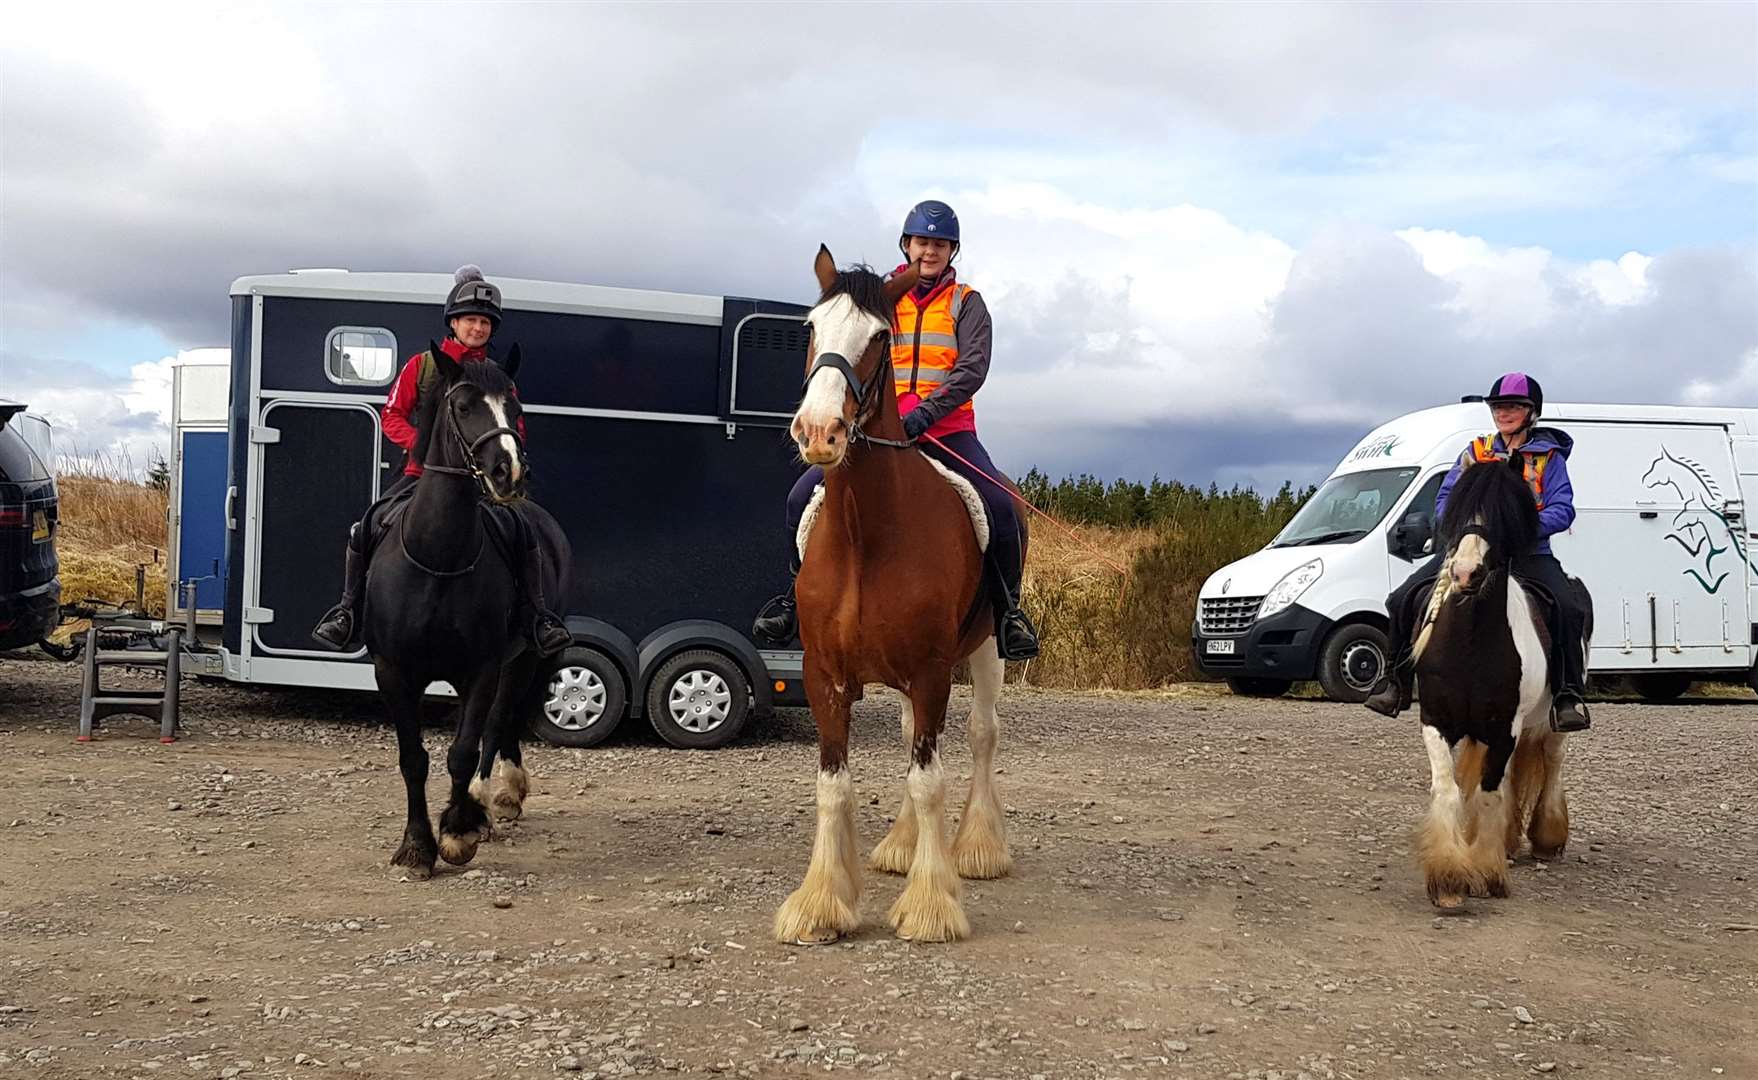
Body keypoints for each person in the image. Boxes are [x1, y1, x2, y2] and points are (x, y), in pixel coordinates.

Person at [751, 200, 1041, 660]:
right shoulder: (877, 300)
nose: (930, 251)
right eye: (922, 242)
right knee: (798, 499)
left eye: (940, 244)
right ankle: (792, 599)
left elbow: (971, 369)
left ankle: (1008, 614)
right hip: (875, 429)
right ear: (907, 245)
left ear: (952, 251)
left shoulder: (966, 303)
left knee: (1001, 507)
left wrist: (926, 414)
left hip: (946, 430)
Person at [310, 265, 572, 657]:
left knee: (525, 531)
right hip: (423, 476)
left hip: (483, 483)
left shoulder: (498, 376)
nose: (478, 328)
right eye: (471, 320)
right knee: (364, 527)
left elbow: (513, 423)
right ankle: (348, 611)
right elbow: (392, 415)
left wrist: (505, 458)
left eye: (485, 322)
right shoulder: (423, 365)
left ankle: (538, 616)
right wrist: (422, 445)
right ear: (454, 322)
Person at [1363, 373, 1592, 732]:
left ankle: (1567, 695)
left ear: (1532, 413)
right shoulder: (1475, 453)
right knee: (1401, 598)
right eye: (1499, 406)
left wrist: (1517, 528)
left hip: (1528, 552)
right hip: (1471, 546)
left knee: (1568, 607)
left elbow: (1563, 509)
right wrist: (1459, 524)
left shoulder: (1549, 458)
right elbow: (1445, 499)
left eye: (1514, 406)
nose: (1505, 413)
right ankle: (1396, 681)